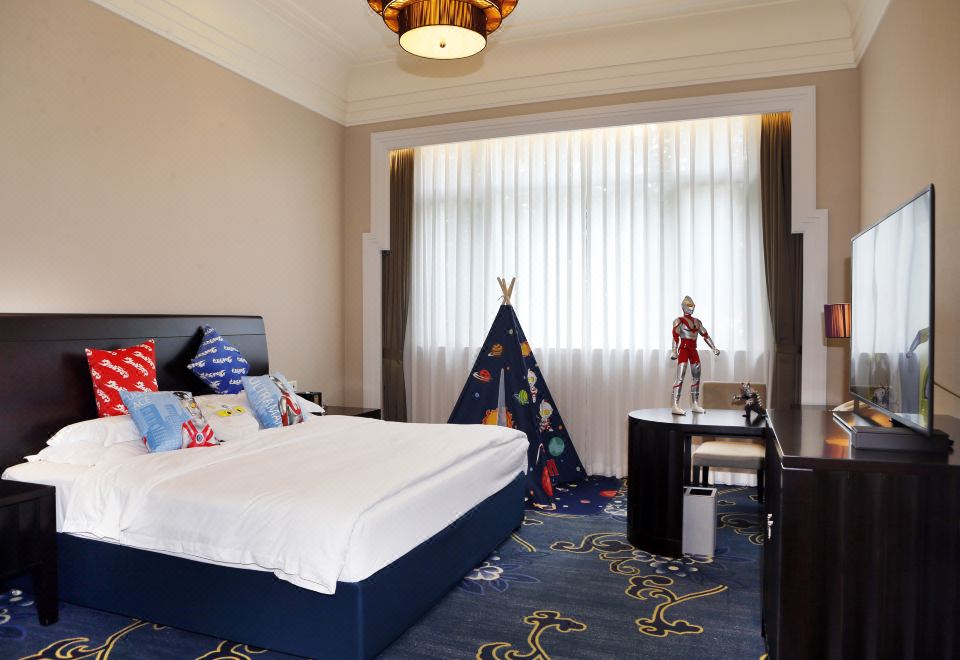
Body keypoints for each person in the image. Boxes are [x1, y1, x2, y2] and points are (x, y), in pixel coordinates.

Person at [670, 295, 720, 415]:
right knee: (680, 377)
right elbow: (675, 337)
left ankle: (695, 404)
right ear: (683, 306)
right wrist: (674, 350)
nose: (691, 307)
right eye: (689, 305)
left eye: (692, 305)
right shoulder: (679, 321)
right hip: (684, 350)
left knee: (696, 377)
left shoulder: (697, 322)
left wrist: (713, 347)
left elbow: (705, 335)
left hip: (693, 350)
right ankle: (675, 405)